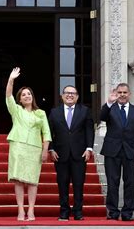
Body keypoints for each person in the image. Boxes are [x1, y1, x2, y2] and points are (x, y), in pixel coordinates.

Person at [6, 67, 52, 221]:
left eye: (29, 94)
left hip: (34, 148)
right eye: (24, 95)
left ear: (33, 96)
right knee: (18, 179)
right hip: (18, 146)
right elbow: (8, 96)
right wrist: (11, 80)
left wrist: (45, 150)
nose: (27, 96)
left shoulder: (41, 113)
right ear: (20, 99)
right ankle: (20, 210)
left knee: (33, 180)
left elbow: (46, 133)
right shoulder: (16, 110)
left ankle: (31, 210)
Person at [100, 83, 134, 221]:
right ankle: (113, 212)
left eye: (124, 92)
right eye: (119, 92)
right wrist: (108, 102)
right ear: (116, 93)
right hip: (112, 151)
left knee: (130, 183)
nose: (122, 95)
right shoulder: (110, 108)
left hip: (131, 152)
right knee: (112, 182)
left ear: (129, 94)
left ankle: (127, 213)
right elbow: (102, 117)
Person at [48, 85, 94, 221]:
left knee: (79, 184)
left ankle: (78, 212)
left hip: (79, 154)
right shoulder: (54, 112)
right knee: (62, 184)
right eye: (67, 93)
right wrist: (51, 148)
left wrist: (89, 148)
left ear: (77, 97)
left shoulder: (85, 111)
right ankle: (64, 212)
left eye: (73, 93)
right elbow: (48, 131)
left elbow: (89, 130)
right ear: (62, 96)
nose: (70, 95)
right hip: (60, 154)